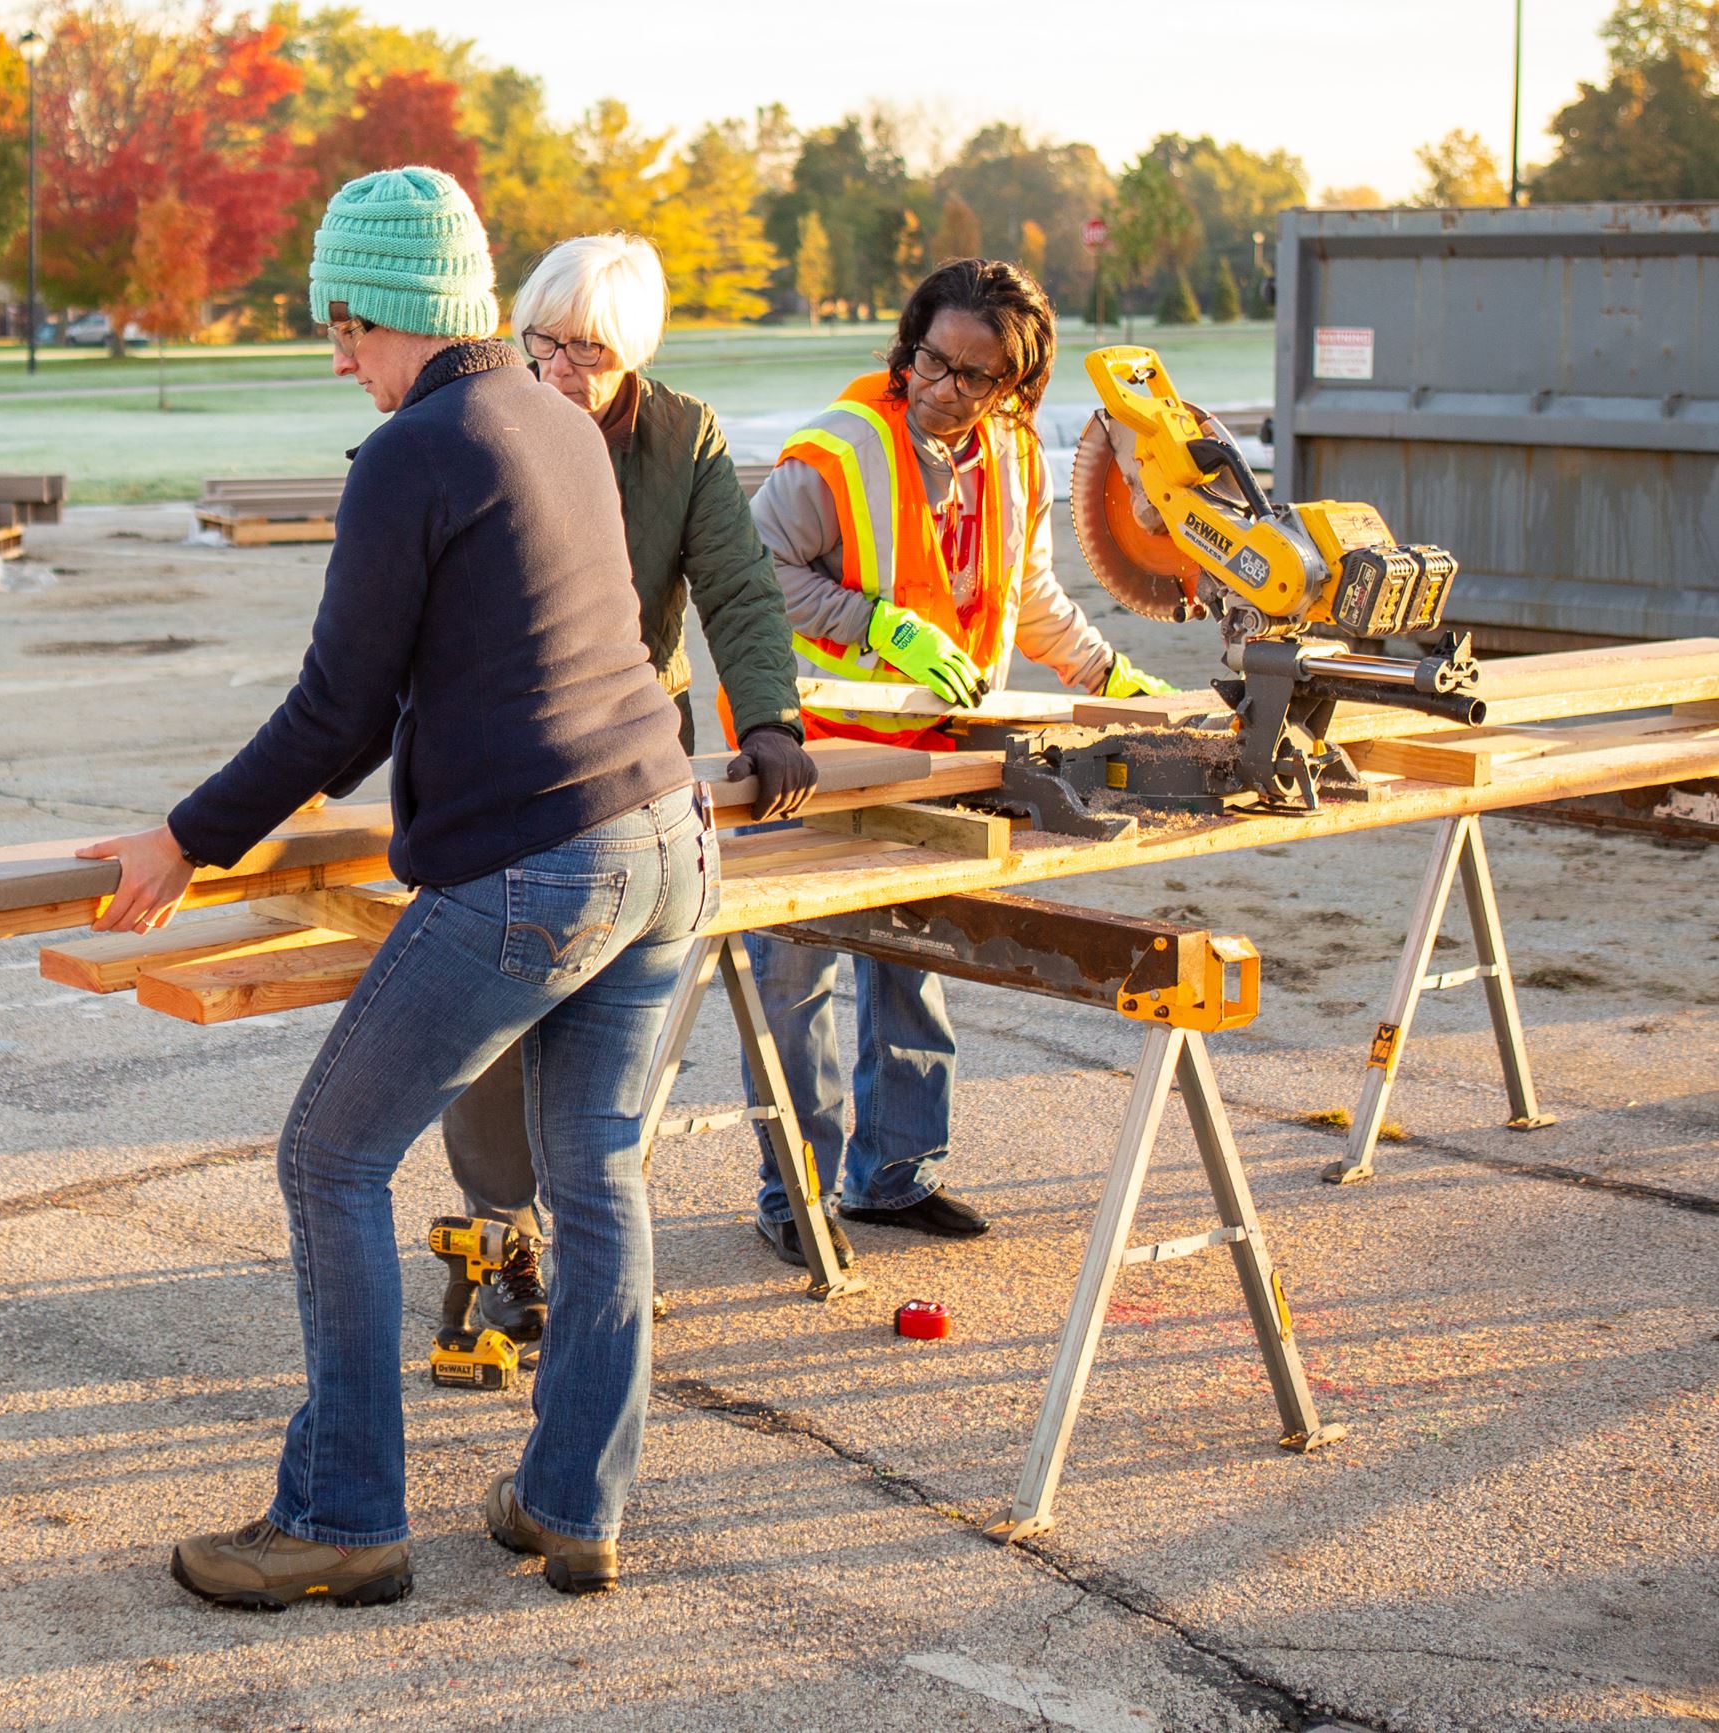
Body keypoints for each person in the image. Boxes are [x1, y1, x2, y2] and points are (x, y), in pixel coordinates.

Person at [81, 167, 714, 1607]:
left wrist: (181, 839)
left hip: (544, 865)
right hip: (667, 838)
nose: (337, 358)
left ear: (398, 314)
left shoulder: (415, 452)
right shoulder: (557, 421)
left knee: (331, 1156)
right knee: (597, 1176)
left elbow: (336, 716)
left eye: (346, 327)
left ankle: (345, 1515)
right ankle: (570, 1504)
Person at [744, 257, 1174, 1259]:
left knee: (913, 959)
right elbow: (751, 572)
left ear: (1014, 388)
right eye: (926, 361)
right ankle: (794, 1200)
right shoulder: (838, 452)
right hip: (812, 754)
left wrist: (1105, 677)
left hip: (935, 755)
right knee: (791, 984)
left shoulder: (1016, 457)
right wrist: (874, 624)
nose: (937, 389)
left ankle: (893, 1180)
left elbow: (1027, 599)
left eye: (969, 376)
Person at [439, 232, 815, 1333]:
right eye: (543, 342)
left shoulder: (681, 436)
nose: (559, 368)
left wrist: (770, 718)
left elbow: (737, 588)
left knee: (603, 1012)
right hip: (503, 750)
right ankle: (501, 1237)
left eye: (589, 352)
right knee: (493, 1013)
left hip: (634, 745)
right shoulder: (483, 422)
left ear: (636, 355)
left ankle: (588, 1242)